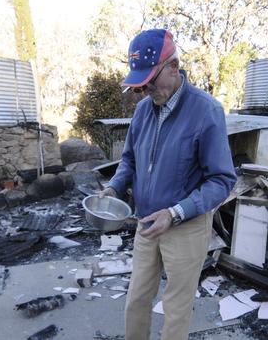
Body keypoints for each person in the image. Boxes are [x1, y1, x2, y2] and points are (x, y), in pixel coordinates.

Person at [99, 29, 236, 340]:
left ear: (173, 66)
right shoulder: (142, 110)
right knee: (136, 299)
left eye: (151, 80)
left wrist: (175, 212)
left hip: (185, 227)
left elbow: (222, 180)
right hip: (146, 223)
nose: (146, 89)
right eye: (141, 83)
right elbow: (130, 160)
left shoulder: (206, 111)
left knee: (175, 308)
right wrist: (114, 188)